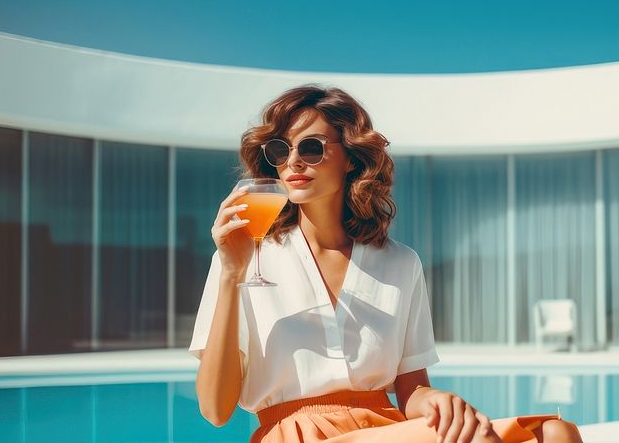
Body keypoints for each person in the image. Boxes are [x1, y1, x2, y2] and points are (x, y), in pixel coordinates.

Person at [191, 85, 583, 443]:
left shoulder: (400, 263)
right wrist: (230, 273)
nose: (293, 161)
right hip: (297, 435)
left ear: (349, 157)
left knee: (555, 433)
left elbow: (411, 388)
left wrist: (438, 401)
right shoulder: (242, 259)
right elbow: (214, 411)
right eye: (280, 150)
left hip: (387, 427)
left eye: (310, 147)